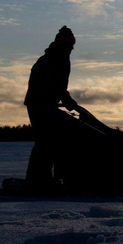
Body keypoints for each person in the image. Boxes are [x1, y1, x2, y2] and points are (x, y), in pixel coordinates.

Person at [23, 26, 79, 190]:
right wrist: (67, 101)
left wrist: (65, 100)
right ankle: (39, 180)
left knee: (50, 140)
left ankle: (44, 178)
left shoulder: (53, 58)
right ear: (63, 44)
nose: (72, 48)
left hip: (44, 104)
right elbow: (55, 85)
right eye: (70, 45)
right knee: (47, 141)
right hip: (40, 105)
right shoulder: (55, 59)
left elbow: (57, 87)